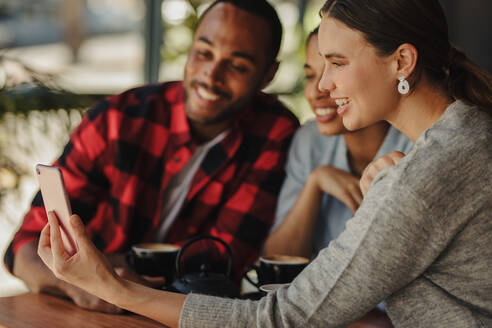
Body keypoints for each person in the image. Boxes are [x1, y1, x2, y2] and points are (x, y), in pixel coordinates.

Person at [37, 0, 492, 327]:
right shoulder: (465, 136)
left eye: (336, 63)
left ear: (403, 61)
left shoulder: (429, 171)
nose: (324, 86)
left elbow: (281, 318)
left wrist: (112, 288)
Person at [5, 0, 299, 314]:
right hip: (88, 313)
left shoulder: (274, 133)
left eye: (237, 66)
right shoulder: (117, 120)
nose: (211, 75)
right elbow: (25, 247)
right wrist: (82, 285)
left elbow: (220, 266)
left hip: (184, 315)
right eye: (203, 53)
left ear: (268, 74)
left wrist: (114, 279)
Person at [263, 28, 413, 259]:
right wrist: (316, 182)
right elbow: (277, 260)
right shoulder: (309, 141)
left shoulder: (417, 143)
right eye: (310, 75)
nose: (317, 90)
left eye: (336, 67)